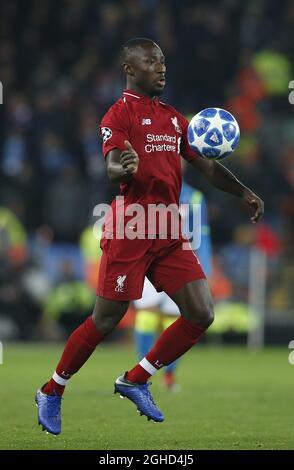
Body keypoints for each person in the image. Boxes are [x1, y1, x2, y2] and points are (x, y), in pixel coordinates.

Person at [35, 37, 264, 435]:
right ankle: (52, 390)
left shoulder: (175, 119)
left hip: (169, 229)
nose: (161, 68)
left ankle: (136, 379)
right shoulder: (117, 115)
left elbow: (207, 169)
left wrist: (243, 191)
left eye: (162, 62)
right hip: (132, 227)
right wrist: (123, 167)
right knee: (105, 320)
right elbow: (111, 167)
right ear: (130, 68)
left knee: (201, 313)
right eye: (152, 61)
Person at [134, 182, 212, 391]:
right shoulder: (147, 187)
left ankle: (169, 375)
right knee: (146, 317)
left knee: (174, 321)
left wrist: (204, 265)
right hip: (148, 259)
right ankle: (139, 377)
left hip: (180, 262)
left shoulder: (194, 196)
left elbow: (202, 233)